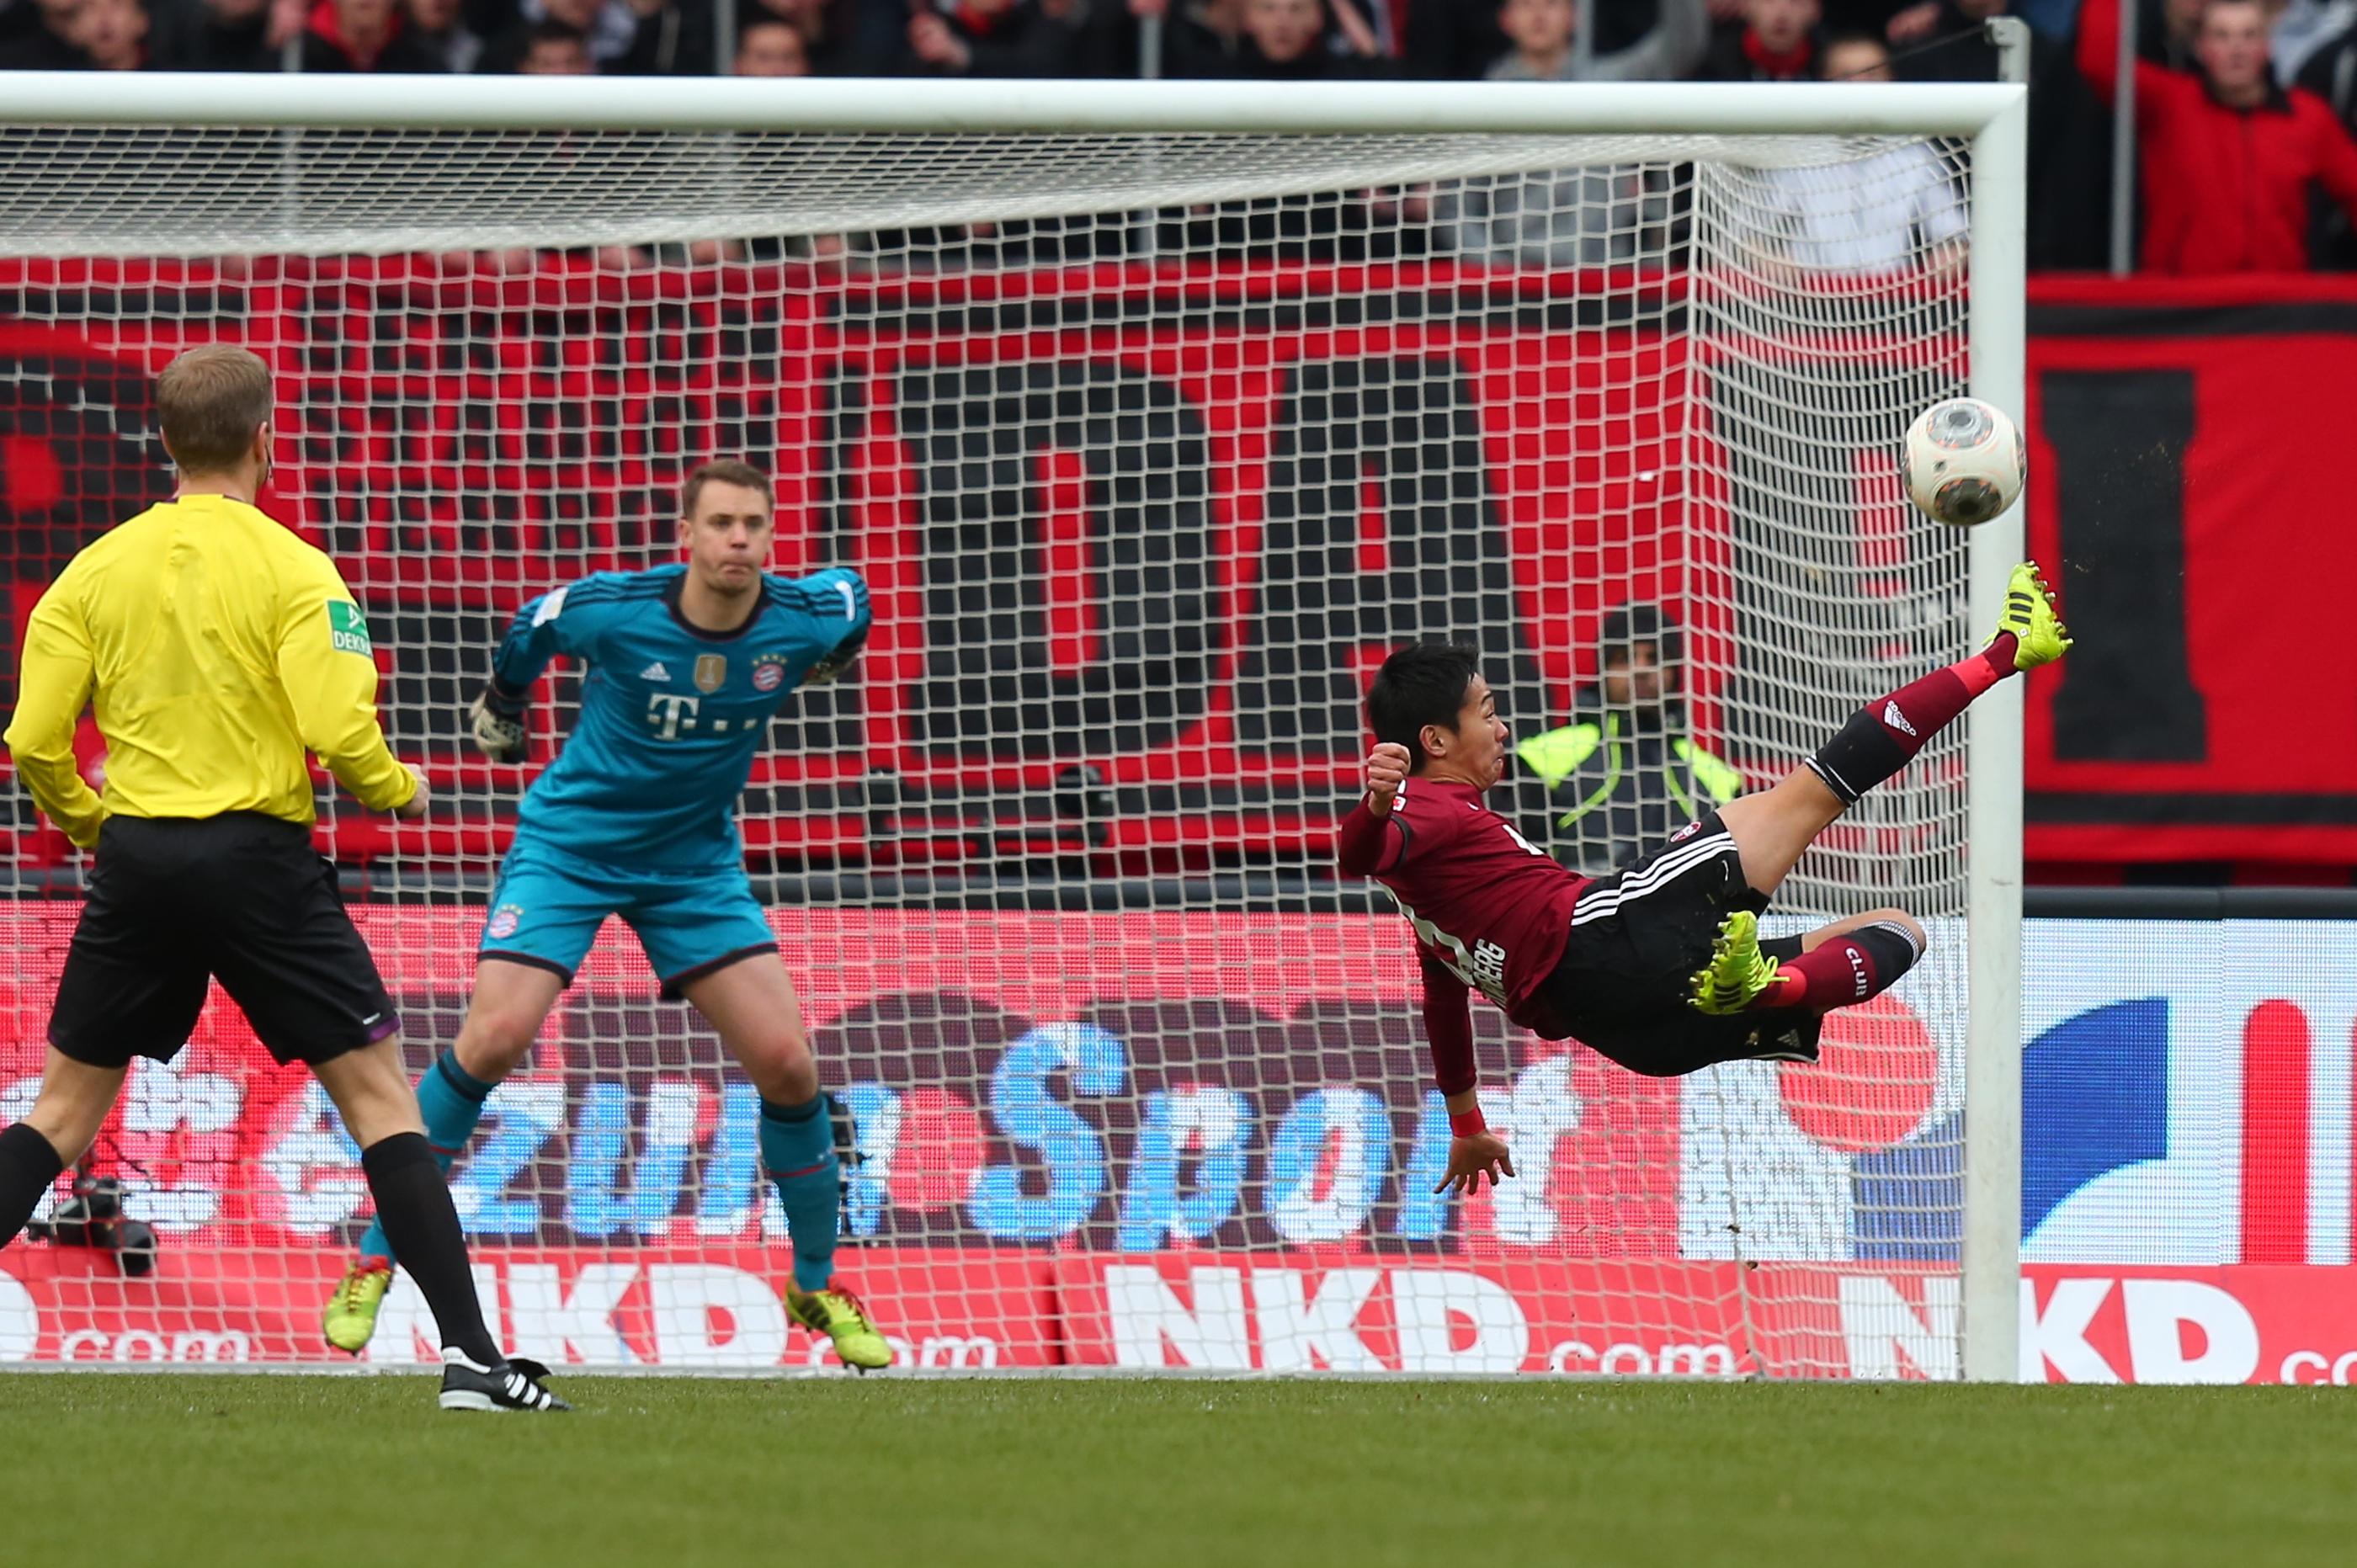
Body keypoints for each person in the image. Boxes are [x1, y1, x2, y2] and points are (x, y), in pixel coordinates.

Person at [0, 347, 565, 1414]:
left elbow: (33, 737)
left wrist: (86, 821)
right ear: (267, 439)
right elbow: (336, 724)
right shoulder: (298, 569)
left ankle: (476, 1362)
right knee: (381, 1103)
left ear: (164, 444)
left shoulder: (94, 571)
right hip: (258, 859)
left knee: (64, 1114)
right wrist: (396, 787)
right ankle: (474, 1364)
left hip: (139, 857)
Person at [319, 460, 891, 1373]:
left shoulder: (809, 613)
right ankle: (374, 1261)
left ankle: (816, 1282)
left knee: (788, 1066)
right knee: (495, 1040)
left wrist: (830, 660)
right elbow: (532, 629)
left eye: (753, 523)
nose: (738, 539)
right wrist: (504, 706)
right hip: (570, 847)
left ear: (770, 536)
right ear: (689, 540)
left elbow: (852, 602)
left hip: (693, 865)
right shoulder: (615, 610)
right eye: (721, 524)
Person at [1336, 562, 2072, 1193]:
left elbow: (1441, 992)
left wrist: (1466, 1121)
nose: (1502, 728)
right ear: (1435, 738)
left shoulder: (1427, 895)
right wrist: (1374, 806)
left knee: (1898, 929)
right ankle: (2005, 653)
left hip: (1634, 1034)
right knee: (1810, 793)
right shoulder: (1423, 805)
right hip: (1612, 936)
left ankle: (1773, 984)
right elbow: (1360, 855)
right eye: (1487, 712)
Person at [2078, 0, 2357, 273]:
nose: (2236, 49)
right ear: (2201, 47)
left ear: (2268, 45)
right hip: (2182, 301)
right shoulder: (2168, 104)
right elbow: (2100, 61)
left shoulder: (2307, 117)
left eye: (2249, 35)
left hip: (2277, 301)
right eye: (2221, 35)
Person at [1513, 604, 1741, 876]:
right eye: (1624, 657)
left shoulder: (1717, 776)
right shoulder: (1547, 756)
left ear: (1675, 672)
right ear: (1603, 670)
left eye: (1655, 658)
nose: (1640, 669)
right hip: (1577, 915)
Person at [1697, 0, 1821, 80]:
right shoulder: (1712, 70)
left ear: (1816, 11)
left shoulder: (1828, 66)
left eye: (1796, 2)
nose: (1782, 15)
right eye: (1768, 1)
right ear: (1746, 7)